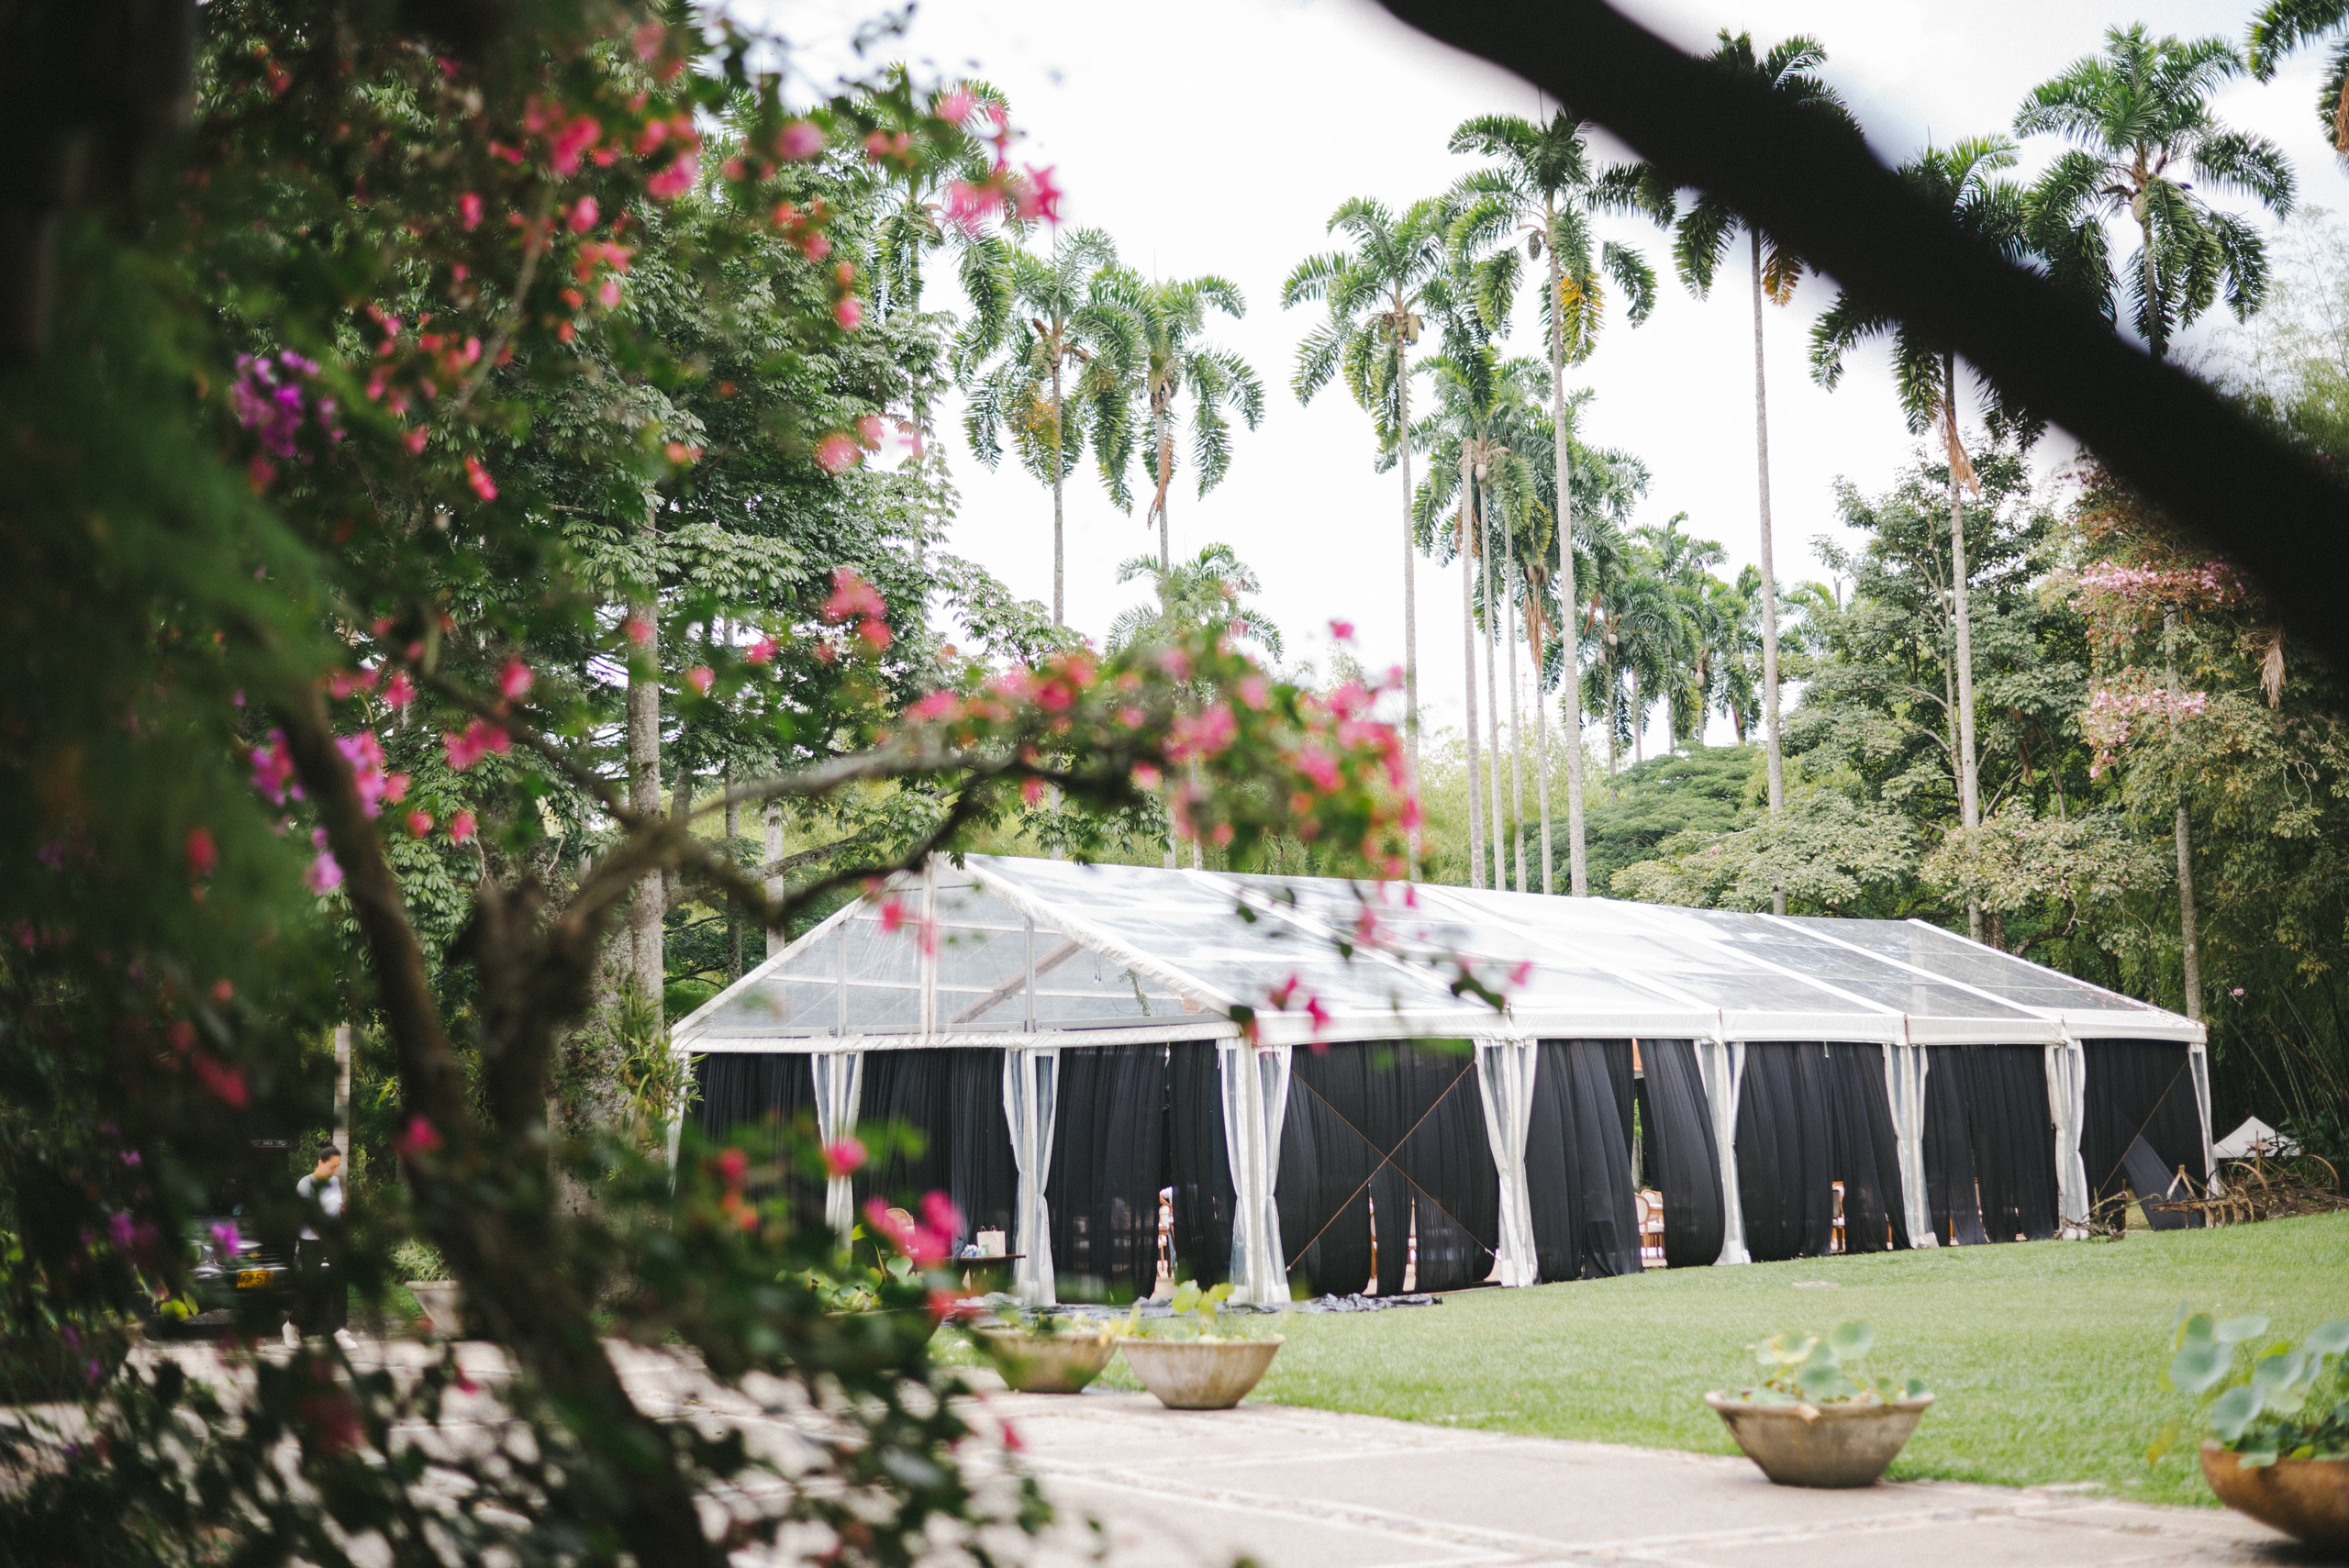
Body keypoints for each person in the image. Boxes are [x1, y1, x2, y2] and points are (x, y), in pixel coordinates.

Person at [294, 1141, 346, 1334]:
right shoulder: (305, 1184)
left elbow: (336, 1207)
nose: (335, 1171)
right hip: (310, 1240)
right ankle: (294, 1326)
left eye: (337, 1167)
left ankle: (341, 1328)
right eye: (332, 1166)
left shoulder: (334, 1182)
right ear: (320, 1162)